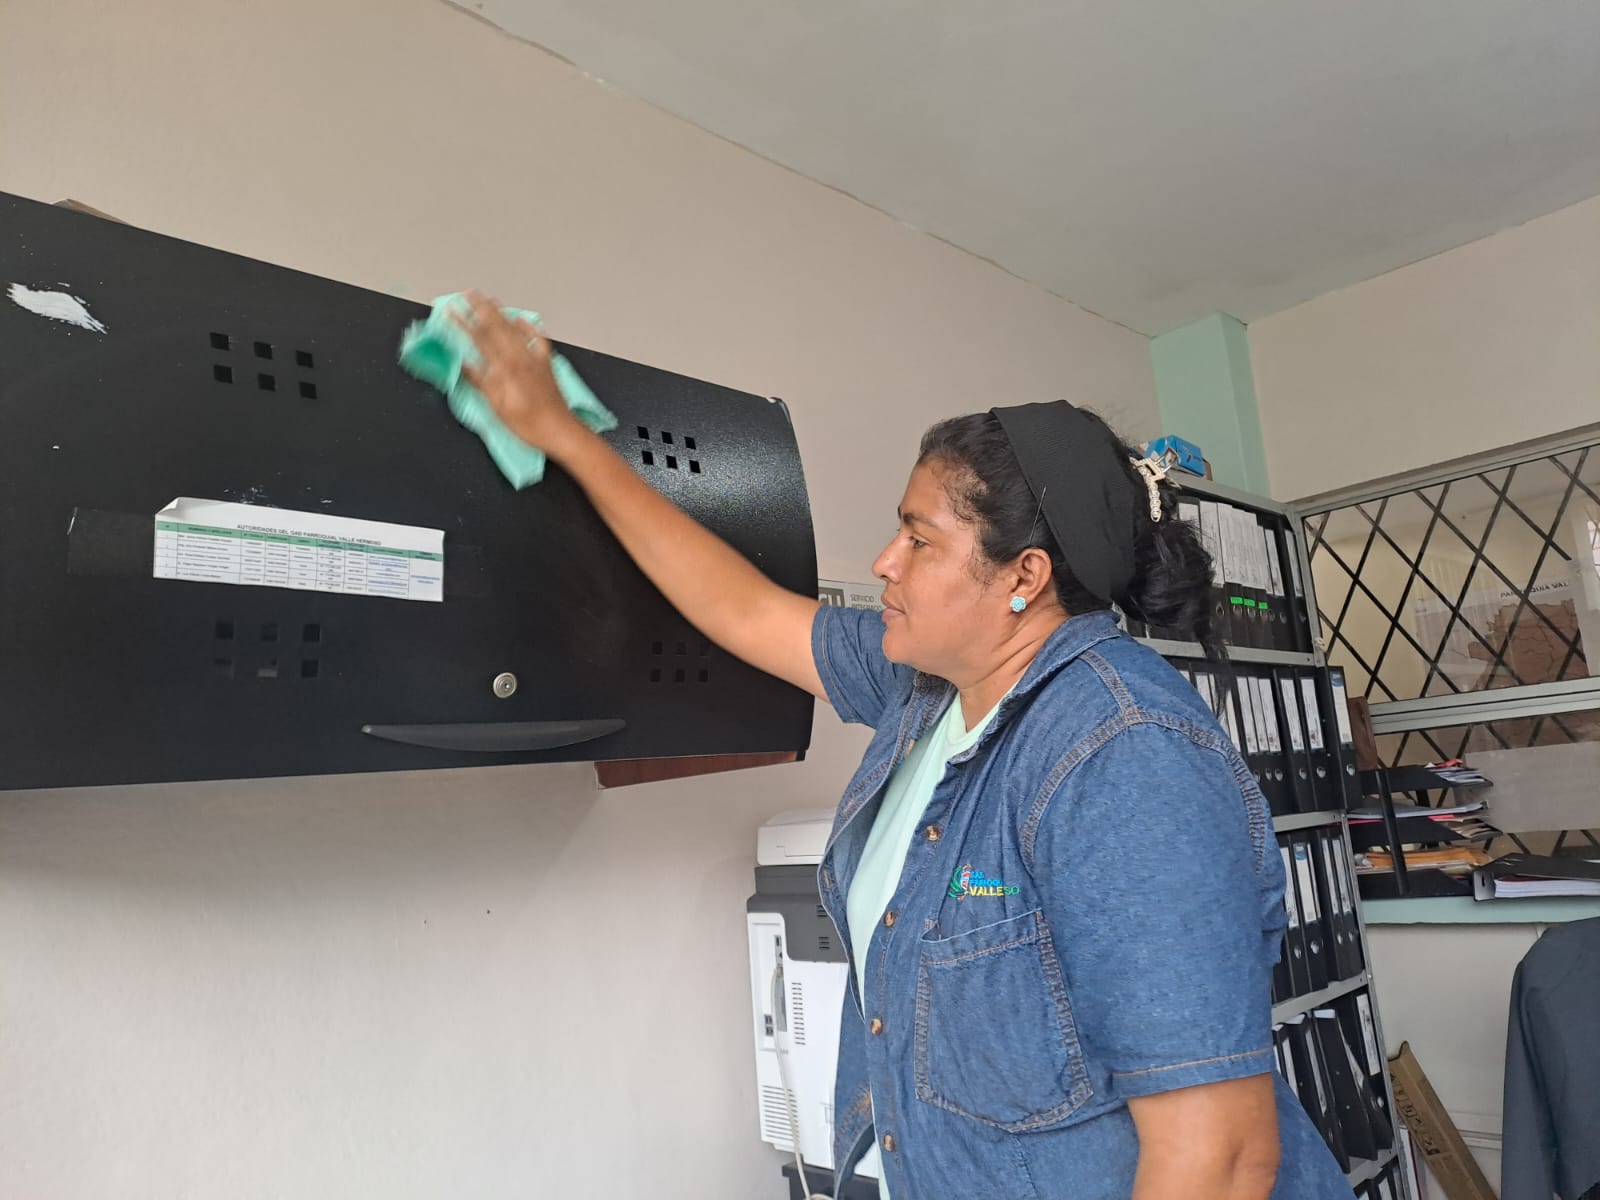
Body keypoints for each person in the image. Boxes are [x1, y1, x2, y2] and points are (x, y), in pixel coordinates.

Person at [452, 293, 1351, 1200]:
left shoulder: (1123, 755)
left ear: (1024, 577)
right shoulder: (928, 689)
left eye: (919, 538)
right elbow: (742, 608)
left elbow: (1219, 1159)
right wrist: (568, 440)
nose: (885, 560)